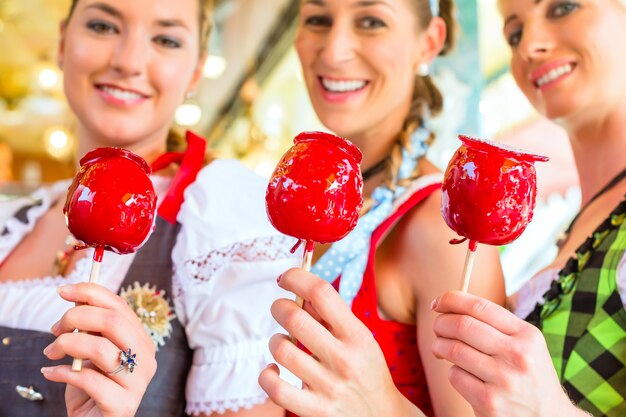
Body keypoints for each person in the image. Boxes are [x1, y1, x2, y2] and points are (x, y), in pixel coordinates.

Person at [261, 0, 626, 416]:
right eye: (513, 34)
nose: (530, 46)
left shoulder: (435, 222)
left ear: (430, 42)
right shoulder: (587, 222)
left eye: (562, 8)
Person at [0, 0, 299, 416]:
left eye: (166, 39)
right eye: (103, 26)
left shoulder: (215, 217)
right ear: (63, 43)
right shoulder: (13, 221)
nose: (129, 61)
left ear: (196, 70)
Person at [261, 0, 505, 416]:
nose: (334, 50)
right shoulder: (295, 211)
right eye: (318, 19)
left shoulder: (440, 231)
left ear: (428, 43)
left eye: (371, 21)